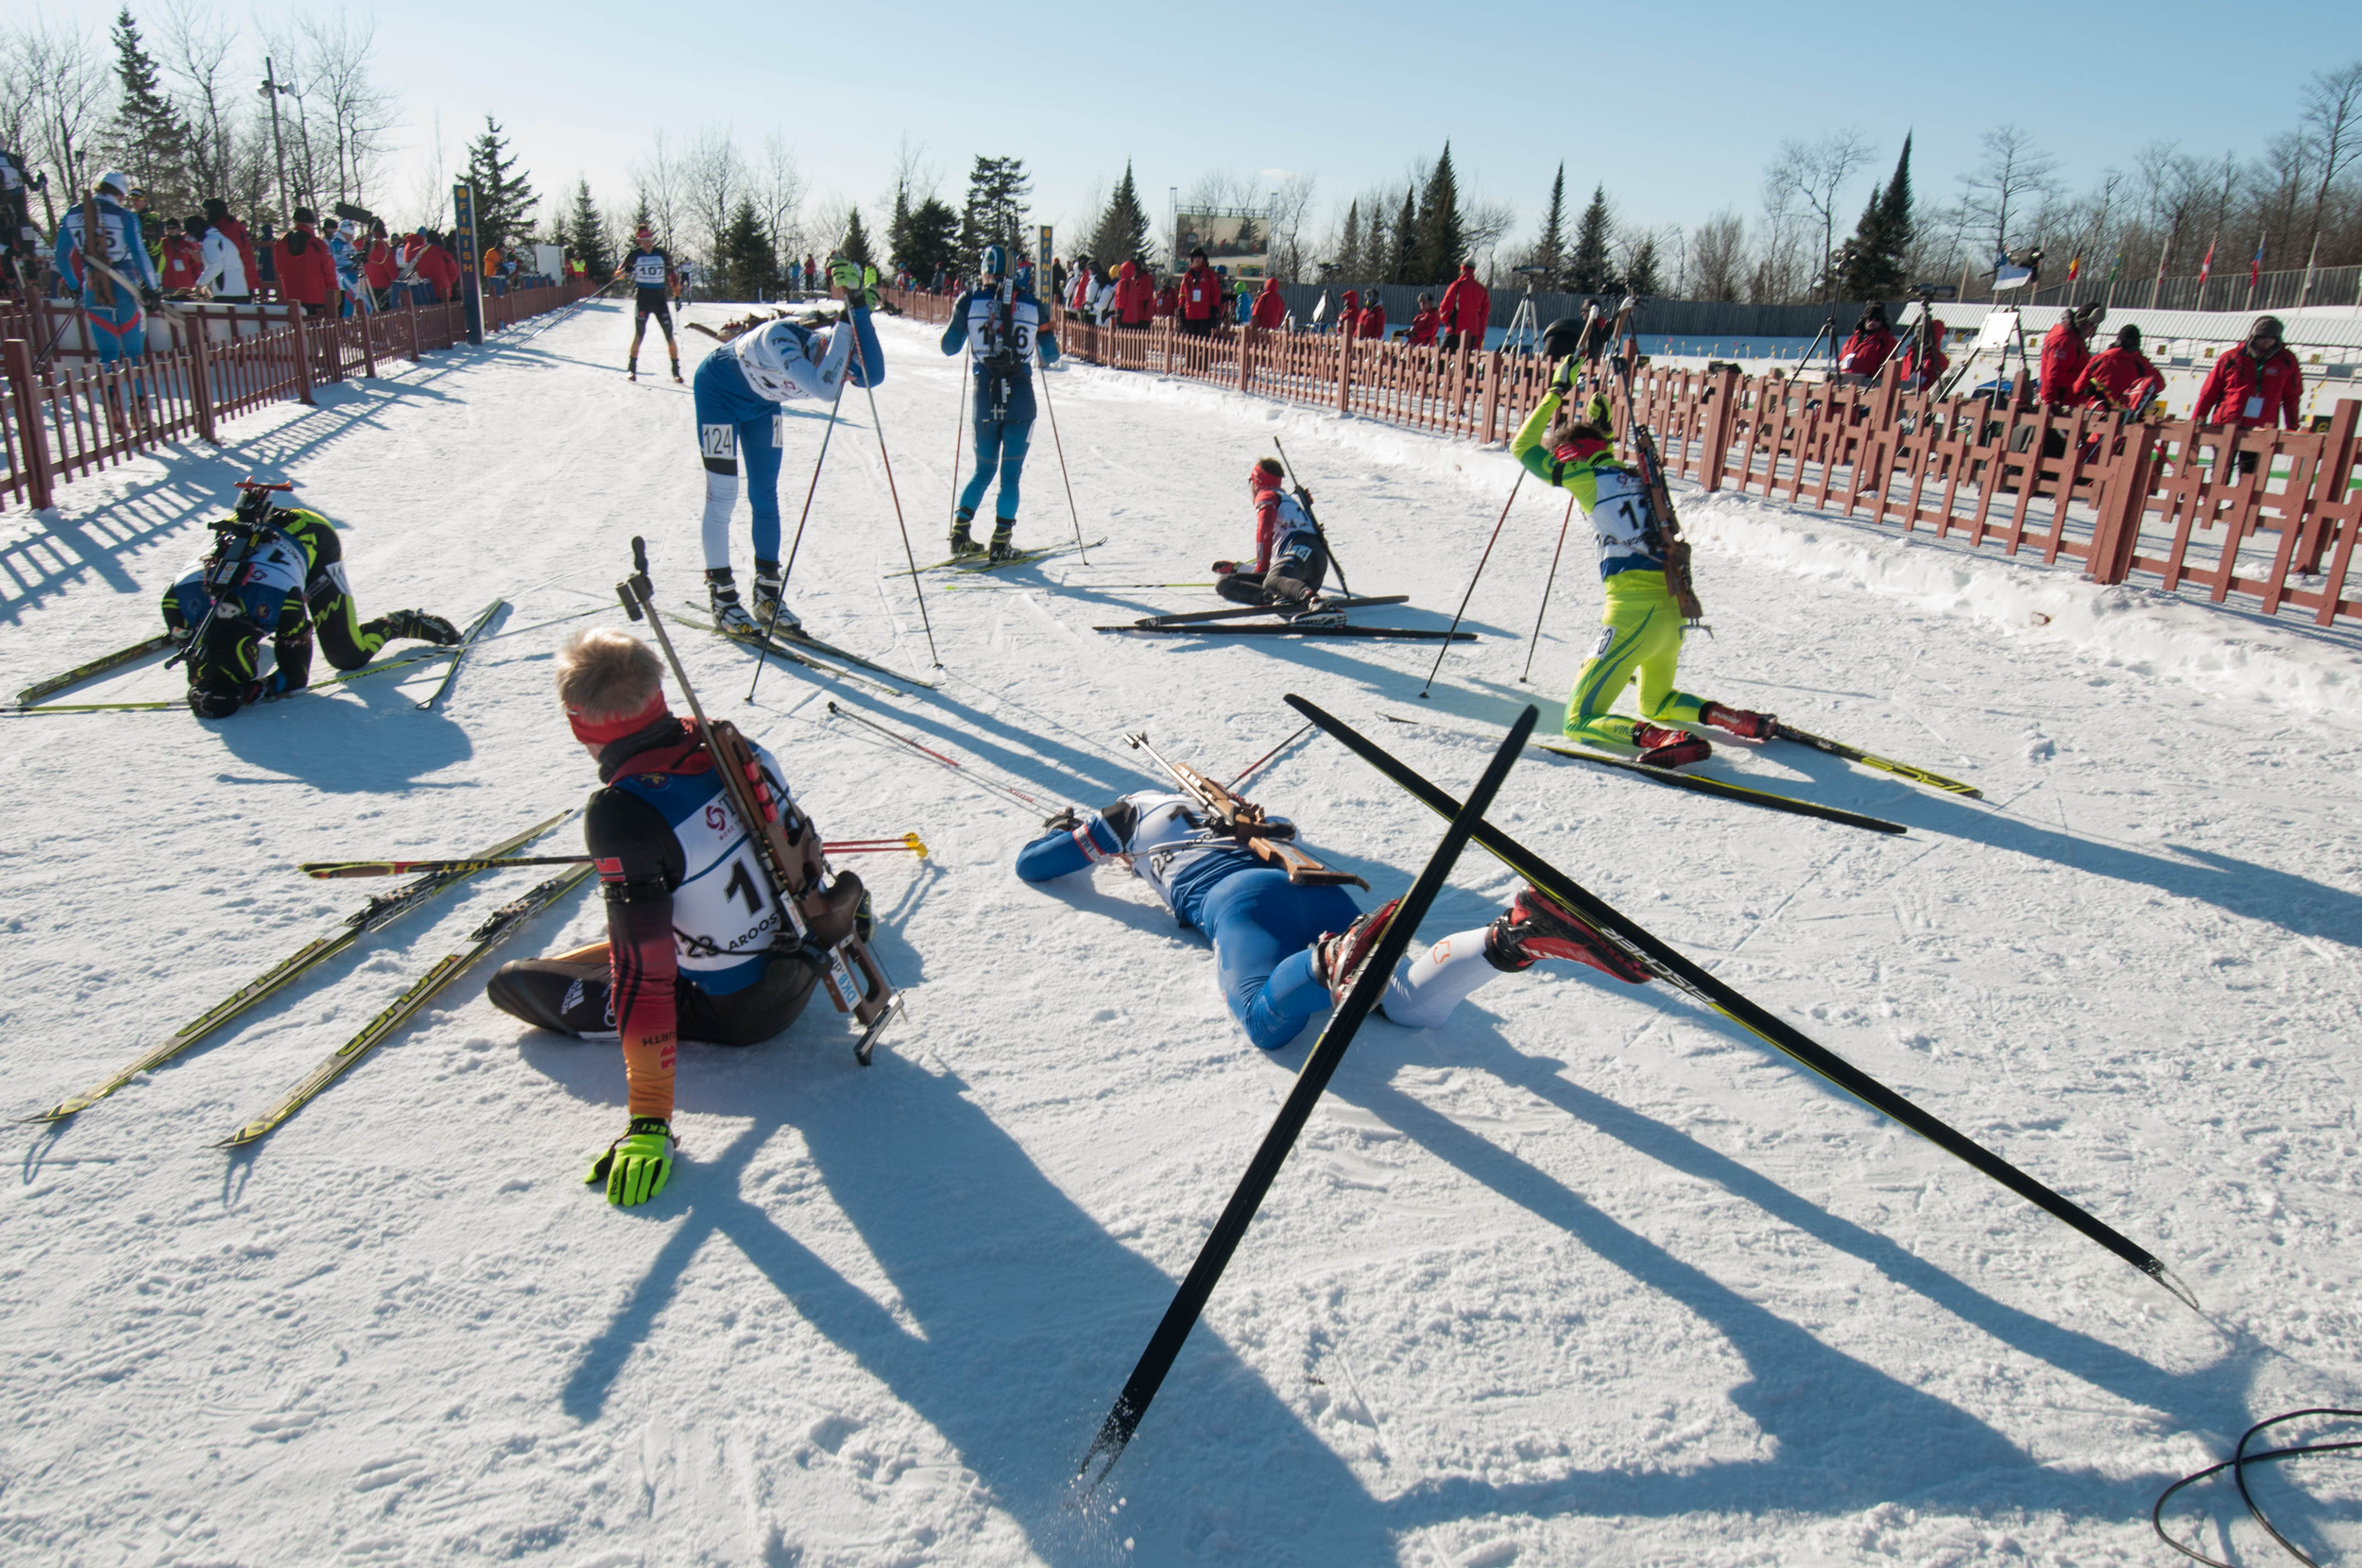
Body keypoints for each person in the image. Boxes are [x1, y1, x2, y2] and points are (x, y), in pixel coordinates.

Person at [487, 627, 868, 1207]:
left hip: (740, 1012)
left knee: (512, 983)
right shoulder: (729, 742)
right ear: (656, 691)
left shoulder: (622, 811)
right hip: (810, 956)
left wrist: (649, 1120)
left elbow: (643, 973)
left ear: (578, 724)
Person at [1015, 790, 1648, 1053]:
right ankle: (1512, 937)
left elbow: (1035, 866)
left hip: (1240, 903)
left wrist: (1080, 833)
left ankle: (1326, 962)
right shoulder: (1225, 808)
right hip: (1317, 890)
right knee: (1401, 1001)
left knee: (1265, 1022)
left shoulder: (1128, 812)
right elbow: (1280, 834)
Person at [1514, 332, 1772, 766]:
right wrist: (1601, 429)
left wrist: (1558, 389)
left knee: (1578, 719)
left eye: (1562, 457)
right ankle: (1738, 720)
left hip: (1631, 613)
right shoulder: (1635, 475)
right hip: (1673, 608)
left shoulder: (1584, 477)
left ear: (1571, 456)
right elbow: (1602, 458)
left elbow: (1522, 447)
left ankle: (1667, 741)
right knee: (1656, 700)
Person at [692, 259, 884, 634]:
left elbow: (873, 375)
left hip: (762, 406)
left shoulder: (835, 361)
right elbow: (823, 389)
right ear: (825, 343)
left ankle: (767, 593)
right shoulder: (780, 337)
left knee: (765, 494)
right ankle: (722, 596)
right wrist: (847, 321)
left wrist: (858, 305)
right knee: (723, 494)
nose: (841, 378)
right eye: (839, 367)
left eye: (846, 375)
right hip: (718, 391)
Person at [160, 484, 459, 719]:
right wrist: (214, 686)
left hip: (310, 535)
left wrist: (253, 691)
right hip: (244, 535)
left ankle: (399, 623)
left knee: (346, 656)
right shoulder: (175, 601)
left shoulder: (284, 604)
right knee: (213, 640)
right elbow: (199, 668)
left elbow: (295, 677)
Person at [940, 244, 1060, 561]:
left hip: (985, 395)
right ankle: (1001, 540)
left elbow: (949, 346)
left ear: (985, 270)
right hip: (1020, 397)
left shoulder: (969, 299)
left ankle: (960, 533)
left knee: (983, 470)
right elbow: (1051, 355)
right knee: (1010, 475)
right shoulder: (1034, 304)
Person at [1213, 457, 1332, 615]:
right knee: (1224, 582)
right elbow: (1281, 569)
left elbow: (1264, 529)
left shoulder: (1267, 495)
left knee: (1272, 580)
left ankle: (1315, 602)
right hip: (1308, 566)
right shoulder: (1288, 501)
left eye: (1250, 482)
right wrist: (1238, 568)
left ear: (1256, 482)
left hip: (1302, 549)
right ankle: (1280, 598)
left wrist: (1262, 567)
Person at [2192, 315, 2302, 437]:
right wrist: (2196, 420)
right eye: (2261, 339)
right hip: (2227, 424)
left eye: (2270, 340)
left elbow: (2292, 397)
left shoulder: (2287, 360)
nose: (2265, 343)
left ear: (2277, 340)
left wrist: (2292, 428)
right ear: (2252, 337)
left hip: (2263, 428)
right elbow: (2209, 392)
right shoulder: (2231, 358)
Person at [616, 226, 679, 383]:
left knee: (669, 334)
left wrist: (677, 295)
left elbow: (672, 276)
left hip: (660, 299)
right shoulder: (634, 254)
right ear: (640, 241)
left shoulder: (661, 254)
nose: (649, 243)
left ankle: (676, 371)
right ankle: (631, 369)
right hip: (643, 299)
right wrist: (625, 271)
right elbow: (617, 275)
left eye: (650, 240)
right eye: (645, 241)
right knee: (639, 334)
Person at [2073, 323, 2164, 414]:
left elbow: (2078, 388)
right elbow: (2160, 385)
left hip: (2094, 411)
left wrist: (2091, 391)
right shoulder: (2141, 363)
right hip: (2124, 415)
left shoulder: (2098, 359)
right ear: (2137, 343)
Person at [272, 208, 337, 316]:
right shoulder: (317, 244)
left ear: (295, 221)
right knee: (316, 325)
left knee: (295, 324)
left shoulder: (281, 242)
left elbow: (279, 267)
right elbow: (329, 269)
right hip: (316, 296)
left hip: (291, 295)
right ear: (312, 223)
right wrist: (334, 288)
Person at [2039, 302, 2104, 407]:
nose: (2093, 329)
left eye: (2096, 326)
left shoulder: (2075, 338)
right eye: (2091, 324)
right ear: (2080, 319)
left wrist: (2095, 384)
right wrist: (2085, 384)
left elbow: (2080, 369)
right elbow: (2055, 375)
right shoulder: (2064, 340)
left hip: (2068, 402)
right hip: (2056, 404)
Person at [202, 199, 258, 304]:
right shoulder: (226, 227)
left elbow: (228, 256)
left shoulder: (227, 230)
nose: (205, 215)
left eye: (207, 211)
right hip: (234, 281)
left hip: (236, 282)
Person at [1836, 301, 1896, 383]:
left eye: (1877, 319)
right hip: (1844, 381)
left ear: (1882, 322)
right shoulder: (1854, 337)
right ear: (1865, 319)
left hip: (1868, 384)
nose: (1872, 322)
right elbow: (1841, 359)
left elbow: (1889, 367)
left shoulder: (1887, 340)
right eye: (1870, 318)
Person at [1438, 260, 1489, 351]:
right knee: (1467, 359)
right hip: (1473, 333)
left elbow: (1445, 307)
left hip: (1455, 331)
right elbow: (1484, 316)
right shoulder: (1482, 289)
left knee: (1444, 357)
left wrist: (1447, 322)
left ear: (1462, 268)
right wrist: (1480, 336)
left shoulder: (1457, 285)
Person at [1179, 247, 1224, 337]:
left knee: (1203, 343)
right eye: (1195, 257)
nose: (1197, 259)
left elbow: (1216, 294)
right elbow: (1182, 294)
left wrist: (1214, 311)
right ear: (1192, 259)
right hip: (1190, 315)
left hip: (1204, 316)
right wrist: (1181, 310)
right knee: (1190, 343)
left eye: (1199, 257)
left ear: (1203, 258)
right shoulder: (1187, 275)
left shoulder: (1209, 274)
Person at [1896, 318, 1949, 391]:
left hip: (1919, 395)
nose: (1921, 339)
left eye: (1925, 336)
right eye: (1919, 335)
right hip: (1900, 392)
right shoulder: (1910, 354)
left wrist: (1916, 390)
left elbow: (1935, 386)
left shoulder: (1938, 360)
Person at [160, 215, 205, 294]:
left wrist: (198, 279)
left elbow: (195, 264)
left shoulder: (187, 244)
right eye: (168, 228)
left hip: (185, 283)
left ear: (178, 229)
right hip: (168, 283)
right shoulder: (162, 244)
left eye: (173, 228)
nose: (170, 230)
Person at [1116, 259, 1151, 328]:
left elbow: (1121, 300)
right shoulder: (1132, 283)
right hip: (1134, 317)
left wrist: (1118, 313)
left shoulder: (1123, 283)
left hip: (1126, 316)